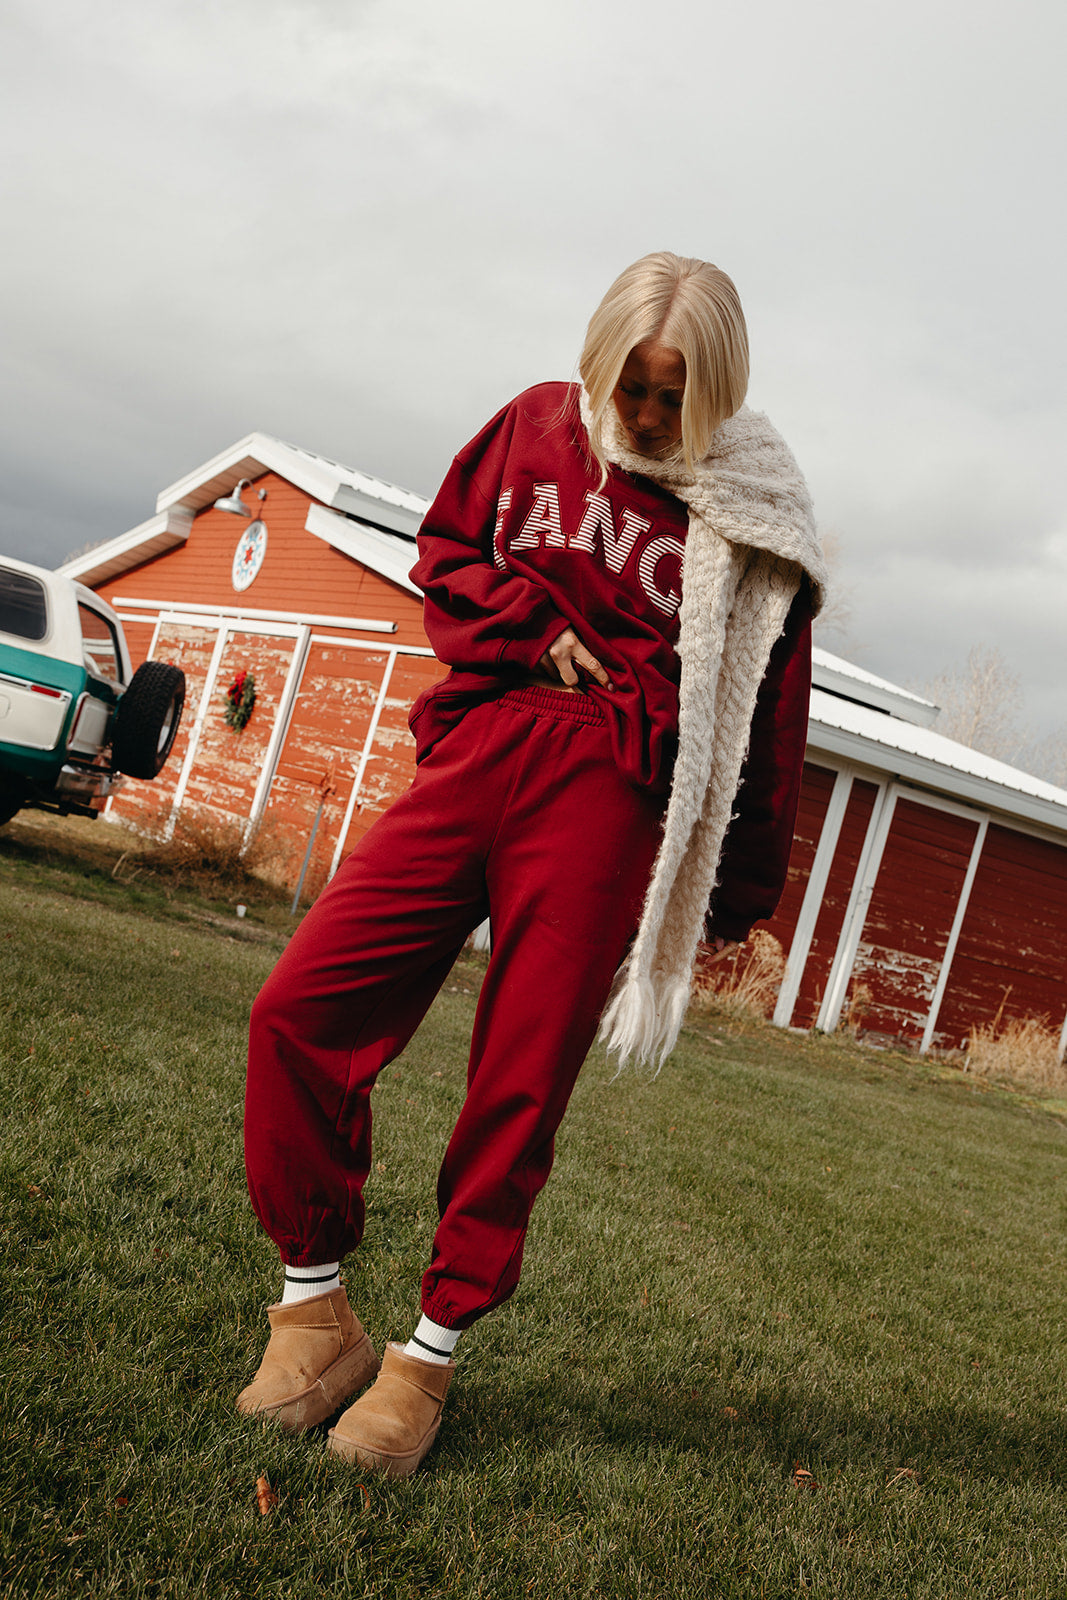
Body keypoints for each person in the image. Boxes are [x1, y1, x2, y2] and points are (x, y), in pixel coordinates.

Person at [237, 251, 826, 1478]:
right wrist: (532, 627)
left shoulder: (755, 508)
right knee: (297, 1007)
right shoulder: (536, 428)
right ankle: (313, 1312)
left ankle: (424, 1359)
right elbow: (448, 549)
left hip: (611, 790)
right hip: (482, 743)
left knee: (517, 1083)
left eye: (672, 395)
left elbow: (765, 717)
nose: (644, 416)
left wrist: (737, 885)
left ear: (717, 391)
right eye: (629, 385)